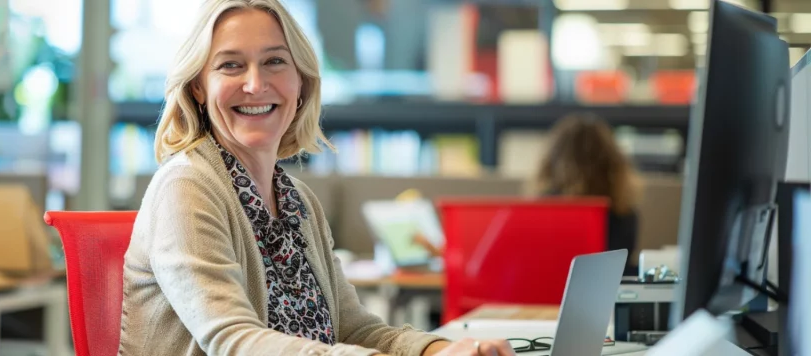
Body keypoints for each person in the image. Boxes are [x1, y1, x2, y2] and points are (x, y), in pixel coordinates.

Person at [118, 1, 514, 355]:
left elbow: (352, 329)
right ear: (199, 88)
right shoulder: (187, 187)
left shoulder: (296, 200)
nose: (255, 84)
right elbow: (232, 340)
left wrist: (440, 350)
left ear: (301, 82)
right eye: (231, 65)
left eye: (275, 61)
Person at [529, 112, 642, 276]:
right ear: (611, 162)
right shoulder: (623, 214)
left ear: (552, 161)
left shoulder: (537, 213)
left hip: (538, 299)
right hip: (600, 301)